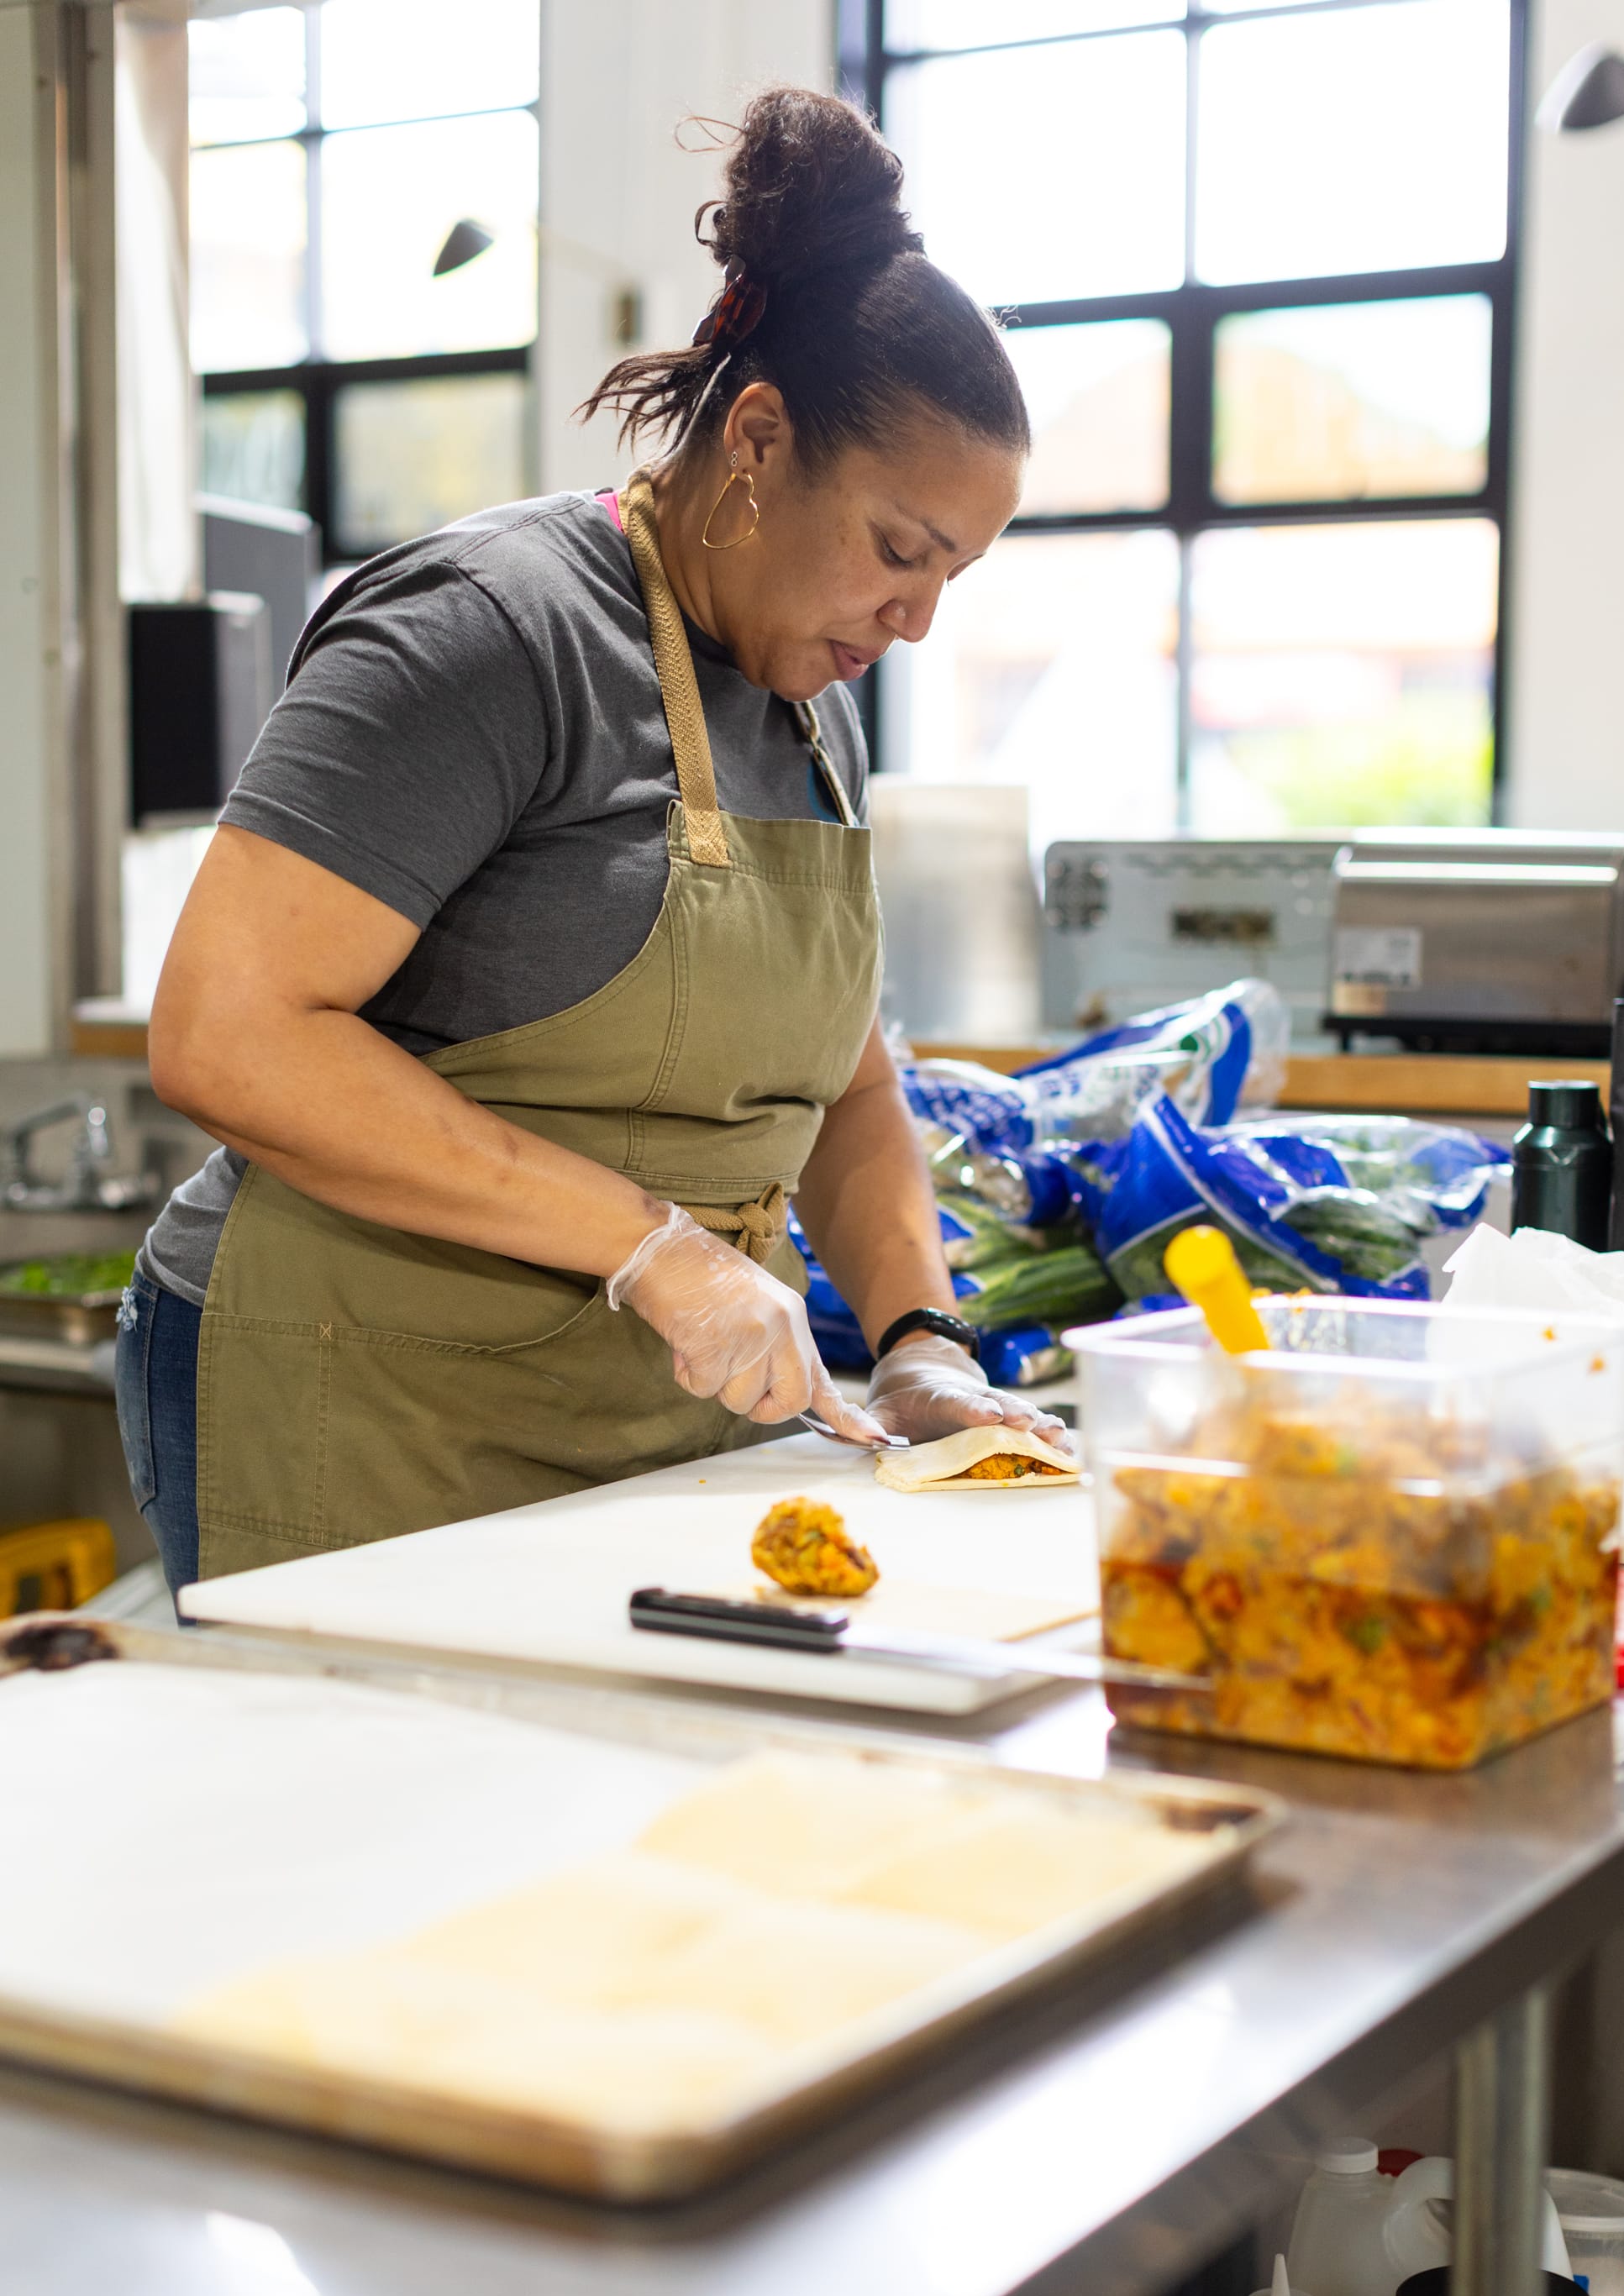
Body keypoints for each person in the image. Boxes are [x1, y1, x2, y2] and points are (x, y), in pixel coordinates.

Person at [119, 84, 1068, 1598]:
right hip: (364, 1398)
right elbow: (227, 1035)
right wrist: (657, 1249)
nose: (916, 619)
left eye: (953, 574)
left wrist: (920, 1345)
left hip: (632, 1433)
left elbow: (847, 1079)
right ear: (758, 438)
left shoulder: (812, 706)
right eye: (899, 550)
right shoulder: (488, 634)